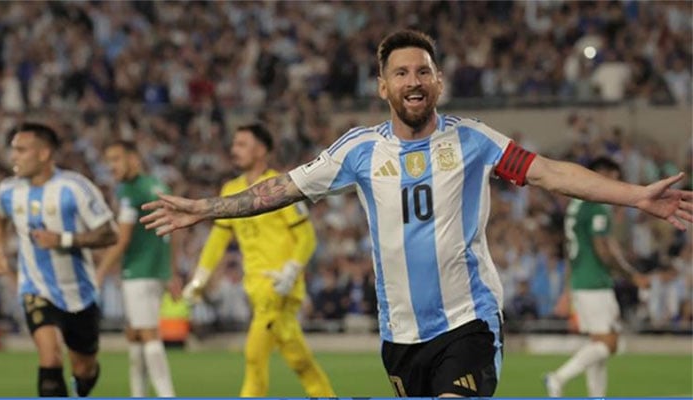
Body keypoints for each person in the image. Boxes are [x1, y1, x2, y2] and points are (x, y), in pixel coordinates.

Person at [139, 30, 693, 397]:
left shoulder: (472, 139)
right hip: (400, 334)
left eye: (423, 71)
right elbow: (280, 189)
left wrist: (636, 196)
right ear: (383, 86)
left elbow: (548, 171)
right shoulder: (359, 150)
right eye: (401, 73)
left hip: (468, 321)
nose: (414, 81)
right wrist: (204, 209)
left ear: (439, 82)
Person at [181, 123, 336, 397]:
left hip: (278, 287)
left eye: (242, 144)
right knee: (299, 360)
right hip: (255, 288)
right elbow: (217, 239)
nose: (234, 149)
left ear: (261, 150)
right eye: (234, 144)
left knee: (254, 356)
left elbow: (307, 237)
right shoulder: (231, 189)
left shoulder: (280, 186)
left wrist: (291, 271)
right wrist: (199, 279)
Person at [0, 122, 117, 397]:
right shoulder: (8, 190)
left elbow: (110, 233)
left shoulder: (75, 188)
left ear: (44, 154)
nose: (13, 157)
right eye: (13, 150)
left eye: (21, 150)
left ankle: (86, 376)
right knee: (50, 358)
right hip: (35, 287)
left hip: (79, 292)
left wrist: (63, 240)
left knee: (83, 369)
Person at [545, 157, 649, 397]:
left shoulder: (575, 205)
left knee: (599, 341)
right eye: (614, 177)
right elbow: (603, 249)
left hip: (582, 280)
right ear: (602, 173)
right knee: (610, 343)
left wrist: (567, 288)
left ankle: (597, 396)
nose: (615, 184)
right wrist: (632, 276)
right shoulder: (597, 206)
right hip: (594, 282)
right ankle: (558, 377)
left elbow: (570, 250)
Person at [97, 140, 178, 397]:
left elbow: (122, 240)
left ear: (133, 159)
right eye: (108, 161)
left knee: (147, 333)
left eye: (116, 159)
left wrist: (99, 273)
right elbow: (173, 230)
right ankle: (138, 393)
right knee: (134, 333)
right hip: (157, 270)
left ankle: (166, 394)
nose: (111, 166)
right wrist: (172, 271)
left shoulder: (129, 192)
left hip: (139, 271)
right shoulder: (158, 185)